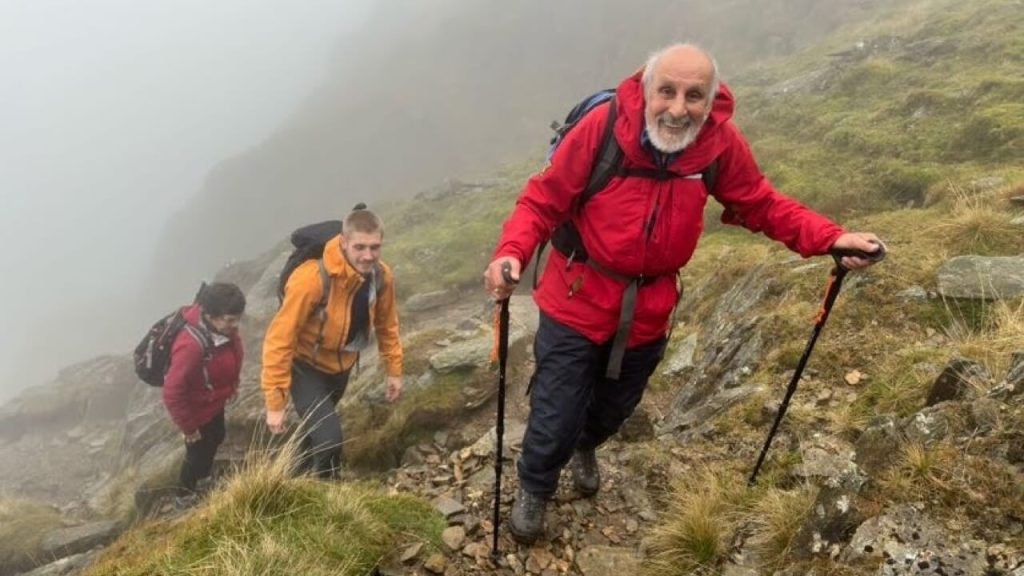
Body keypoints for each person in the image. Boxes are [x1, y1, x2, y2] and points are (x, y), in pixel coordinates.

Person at [483, 43, 885, 543]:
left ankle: (587, 445)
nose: (678, 108)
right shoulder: (602, 130)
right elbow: (542, 199)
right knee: (555, 410)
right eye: (667, 91)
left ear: (711, 100)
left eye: (694, 95)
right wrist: (512, 252)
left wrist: (831, 237)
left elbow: (760, 203)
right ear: (645, 90)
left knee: (616, 406)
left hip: (651, 309)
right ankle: (535, 487)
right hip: (577, 297)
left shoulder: (716, 144)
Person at [261, 206, 404, 479]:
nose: (368, 256)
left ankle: (291, 478)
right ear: (343, 242)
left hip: (342, 367)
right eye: (359, 247)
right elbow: (279, 339)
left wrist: (394, 370)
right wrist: (275, 402)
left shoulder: (382, 276)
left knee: (315, 432)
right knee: (330, 440)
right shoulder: (311, 279)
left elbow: (387, 324)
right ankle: (327, 499)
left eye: (375, 247)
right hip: (305, 367)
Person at [161, 282, 246, 505]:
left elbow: (234, 355)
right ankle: (184, 494)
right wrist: (188, 428)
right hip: (196, 411)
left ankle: (204, 478)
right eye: (229, 320)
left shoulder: (222, 330)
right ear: (210, 315)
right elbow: (172, 391)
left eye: (237, 318)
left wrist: (233, 385)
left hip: (214, 402)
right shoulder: (191, 346)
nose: (235, 325)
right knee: (196, 452)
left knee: (217, 436)